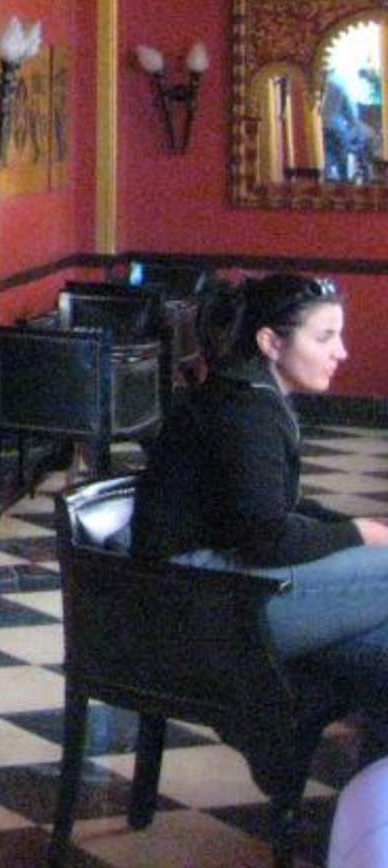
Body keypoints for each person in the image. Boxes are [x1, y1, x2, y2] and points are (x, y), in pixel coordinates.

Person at [134, 273, 388, 718]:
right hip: (195, 600)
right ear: (270, 342)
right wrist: (359, 533)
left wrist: (355, 529)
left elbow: (273, 510)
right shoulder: (246, 411)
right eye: (325, 337)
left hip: (204, 581)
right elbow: (266, 540)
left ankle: (321, 735)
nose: (342, 352)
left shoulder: (247, 394)